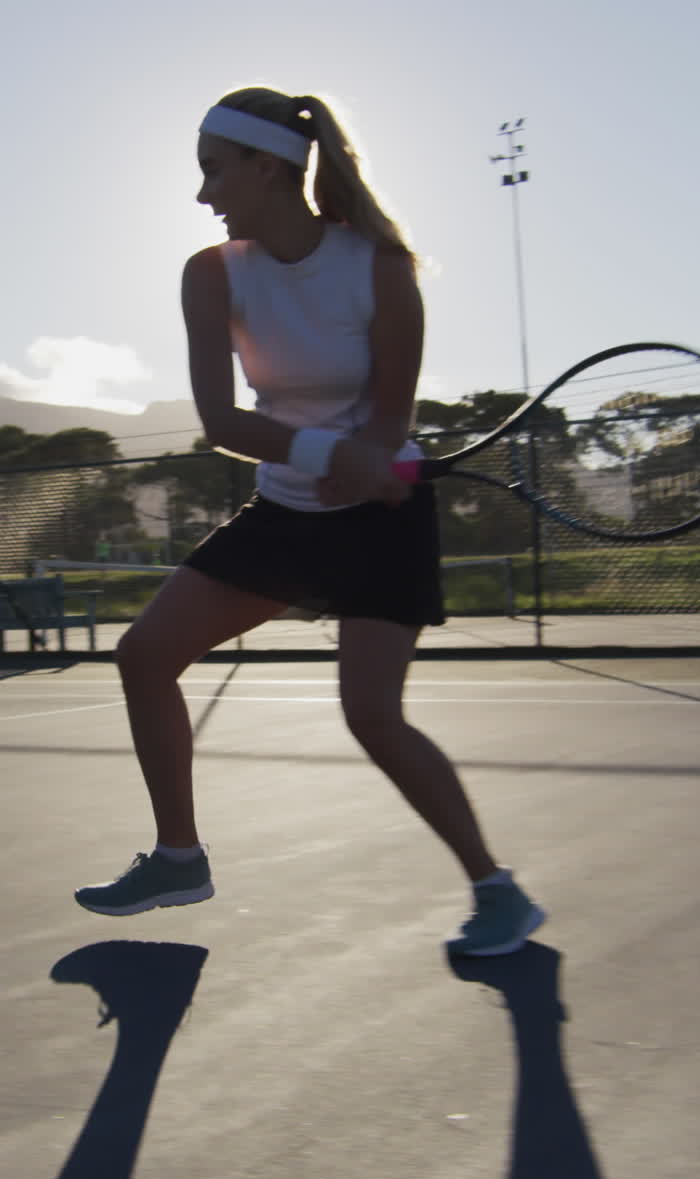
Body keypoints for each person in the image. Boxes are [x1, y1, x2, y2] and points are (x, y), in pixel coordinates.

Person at [74, 86, 545, 955]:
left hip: (381, 522)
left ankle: (497, 888)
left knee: (371, 714)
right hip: (289, 509)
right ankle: (179, 857)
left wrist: (365, 461)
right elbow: (223, 422)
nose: (204, 193)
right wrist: (332, 460)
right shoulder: (210, 273)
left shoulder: (379, 266)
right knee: (143, 654)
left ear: (268, 167)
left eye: (214, 171)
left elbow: (390, 418)